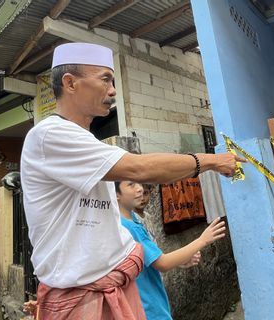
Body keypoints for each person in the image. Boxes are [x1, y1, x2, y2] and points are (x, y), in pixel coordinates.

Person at [20, 42, 244, 319]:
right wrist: (212, 160)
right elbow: (138, 168)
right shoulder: (49, 135)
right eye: (105, 79)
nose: (113, 90)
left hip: (115, 286)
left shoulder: (86, 142)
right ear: (70, 83)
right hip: (85, 298)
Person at [116, 181, 225, 319]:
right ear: (116, 194)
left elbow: (153, 259)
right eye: (131, 185)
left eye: (139, 183)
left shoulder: (130, 221)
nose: (139, 189)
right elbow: (163, 263)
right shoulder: (128, 227)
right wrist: (202, 240)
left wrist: (179, 261)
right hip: (148, 308)